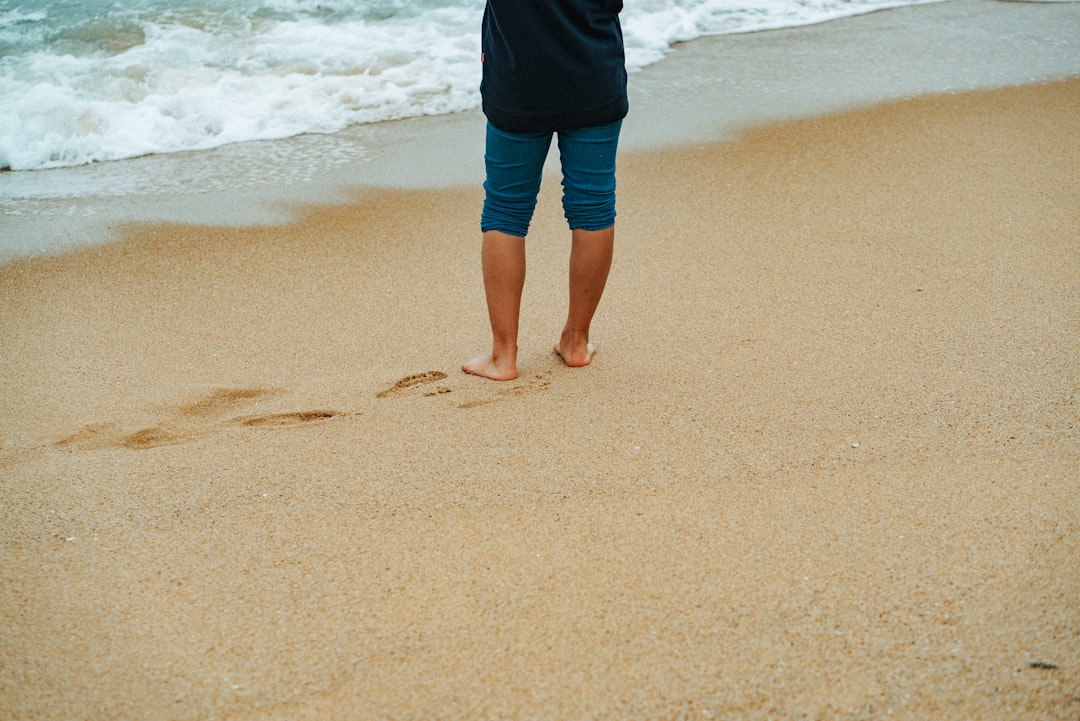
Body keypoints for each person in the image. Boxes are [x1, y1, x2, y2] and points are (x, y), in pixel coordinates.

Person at [461, 0, 629, 381]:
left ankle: (504, 356)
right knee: (593, 204)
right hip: (593, 70)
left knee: (505, 211)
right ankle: (575, 341)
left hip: (519, 79)